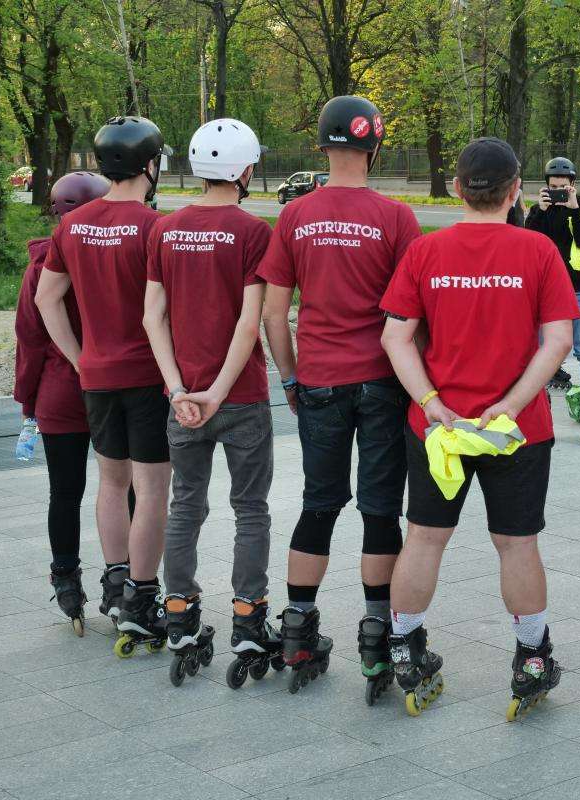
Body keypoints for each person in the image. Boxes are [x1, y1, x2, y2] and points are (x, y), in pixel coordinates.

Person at [379, 137, 578, 720]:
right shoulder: (538, 251)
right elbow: (559, 340)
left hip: (440, 428)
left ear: (460, 188)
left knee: (424, 536)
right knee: (516, 543)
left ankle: (404, 646)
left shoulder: (425, 252)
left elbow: (395, 337)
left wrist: (431, 402)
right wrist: (512, 404)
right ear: (516, 190)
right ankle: (531, 656)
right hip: (514, 432)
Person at [257, 95, 422, 697]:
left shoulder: (296, 216)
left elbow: (275, 315)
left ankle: (298, 626)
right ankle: (379, 634)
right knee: (381, 510)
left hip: (321, 380)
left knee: (319, 503)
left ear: (322, 145)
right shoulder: (397, 218)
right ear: (374, 147)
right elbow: (413, 316)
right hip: (381, 381)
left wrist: (292, 377)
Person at [142, 118, 280, 688]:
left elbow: (153, 317)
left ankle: (179, 614)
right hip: (239, 396)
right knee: (250, 508)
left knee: (185, 507)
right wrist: (218, 392)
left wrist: (178, 391)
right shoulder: (254, 232)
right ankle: (248, 619)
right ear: (246, 171)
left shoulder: (164, 230)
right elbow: (250, 324)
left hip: (184, 403)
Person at [36, 116, 173, 657]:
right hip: (145, 376)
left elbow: (48, 298)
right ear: (149, 164)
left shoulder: (71, 226)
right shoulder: (153, 227)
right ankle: (143, 597)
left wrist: (79, 358)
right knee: (153, 488)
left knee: (112, 483)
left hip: (96, 376)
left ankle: (116, 585)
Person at [14, 171, 116, 636]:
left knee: (65, 493)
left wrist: (27, 399)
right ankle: (126, 581)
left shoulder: (40, 265)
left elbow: (30, 340)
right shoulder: (116, 253)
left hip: (61, 390)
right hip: (117, 386)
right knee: (128, 488)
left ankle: (66, 579)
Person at [525, 156, 580, 429]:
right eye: (553, 186)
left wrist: (572, 208)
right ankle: (539, 398)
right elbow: (529, 241)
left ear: (573, 185)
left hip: (578, 287)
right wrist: (541, 210)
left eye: (563, 187)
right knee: (543, 349)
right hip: (547, 290)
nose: (558, 191)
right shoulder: (541, 210)